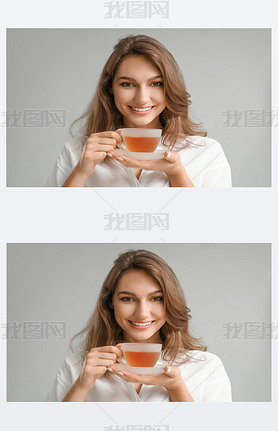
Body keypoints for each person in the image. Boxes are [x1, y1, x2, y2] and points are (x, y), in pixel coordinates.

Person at [44, 35, 232, 187]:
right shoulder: (77, 151)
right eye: (127, 84)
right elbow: (49, 225)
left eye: (156, 84)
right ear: (110, 88)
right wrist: (81, 171)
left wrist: (176, 173)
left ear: (170, 88)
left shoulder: (206, 152)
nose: (142, 98)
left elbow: (215, 228)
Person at [45, 250, 232, 402]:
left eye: (156, 298)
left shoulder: (207, 367)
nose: (142, 313)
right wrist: (81, 386)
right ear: (110, 303)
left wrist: (176, 388)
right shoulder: (77, 367)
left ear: (170, 302)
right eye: (127, 299)